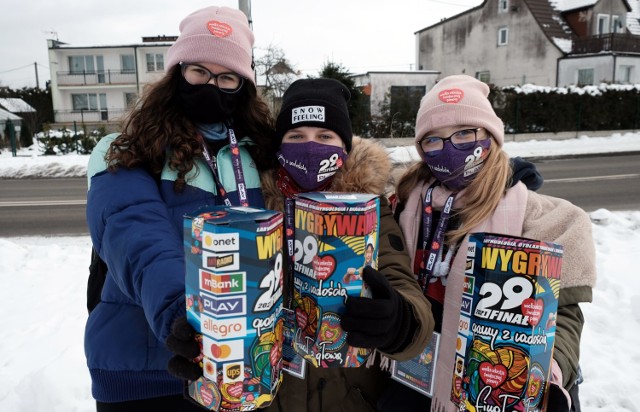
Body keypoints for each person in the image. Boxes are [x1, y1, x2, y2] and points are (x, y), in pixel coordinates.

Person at [84, 6, 276, 411]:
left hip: (236, 369)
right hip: (148, 369)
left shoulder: (256, 154)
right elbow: (135, 234)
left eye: (227, 77)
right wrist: (180, 311)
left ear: (243, 87)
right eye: (199, 72)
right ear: (177, 73)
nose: (212, 84)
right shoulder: (124, 148)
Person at [392, 74, 596, 412]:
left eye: (464, 133)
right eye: (433, 139)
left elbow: (562, 319)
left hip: (496, 390)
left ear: (489, 136)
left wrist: (548, 376)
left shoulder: (542, 219)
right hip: (412, 385)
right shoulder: (403, 207)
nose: (450, 148)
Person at [260, 78, 435, 411]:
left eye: (325, 136)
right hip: (271, 396)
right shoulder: (255, 207)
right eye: (296, 136)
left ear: (343, 147)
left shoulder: (369, 208)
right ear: (279, 145)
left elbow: (405, 290)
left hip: (348, 397)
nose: (311, 147)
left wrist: (398, 321)